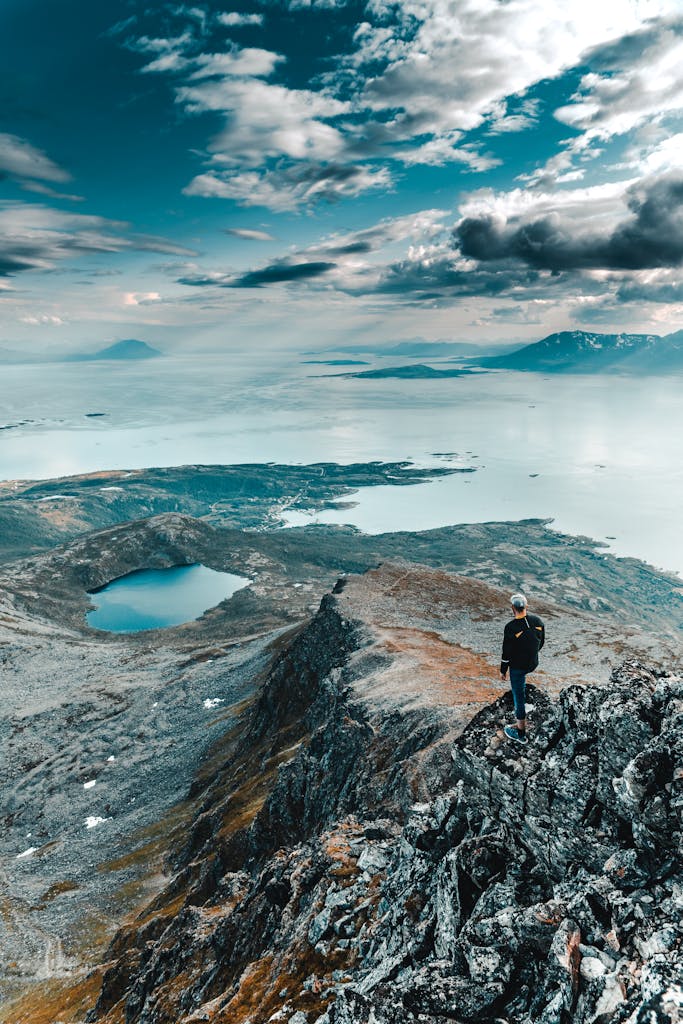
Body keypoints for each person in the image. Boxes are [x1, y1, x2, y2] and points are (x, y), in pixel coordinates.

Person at [500, 593, 545, 745]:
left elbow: (506, 652)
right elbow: (541, 642)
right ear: (526, 606)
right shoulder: (537, 621)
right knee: (521, 685)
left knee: (518, 698)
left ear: (512, 608)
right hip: (533, 663)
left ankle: (520, 733)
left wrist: (503, 669)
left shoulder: (511, 627)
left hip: (518, 668)